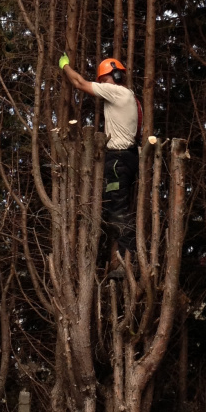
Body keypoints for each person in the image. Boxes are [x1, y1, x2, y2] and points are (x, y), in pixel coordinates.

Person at [58, 53, 141, 264]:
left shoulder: (116, 92)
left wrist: (65, 66)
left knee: (118, 210)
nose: (102, 85)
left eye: (104, 80)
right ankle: (118, 257)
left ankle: (128, 262)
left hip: (118, 160)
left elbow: (79, 83)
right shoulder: (130, 97)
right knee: (110, 205)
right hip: (126, 158)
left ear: (116, 76)